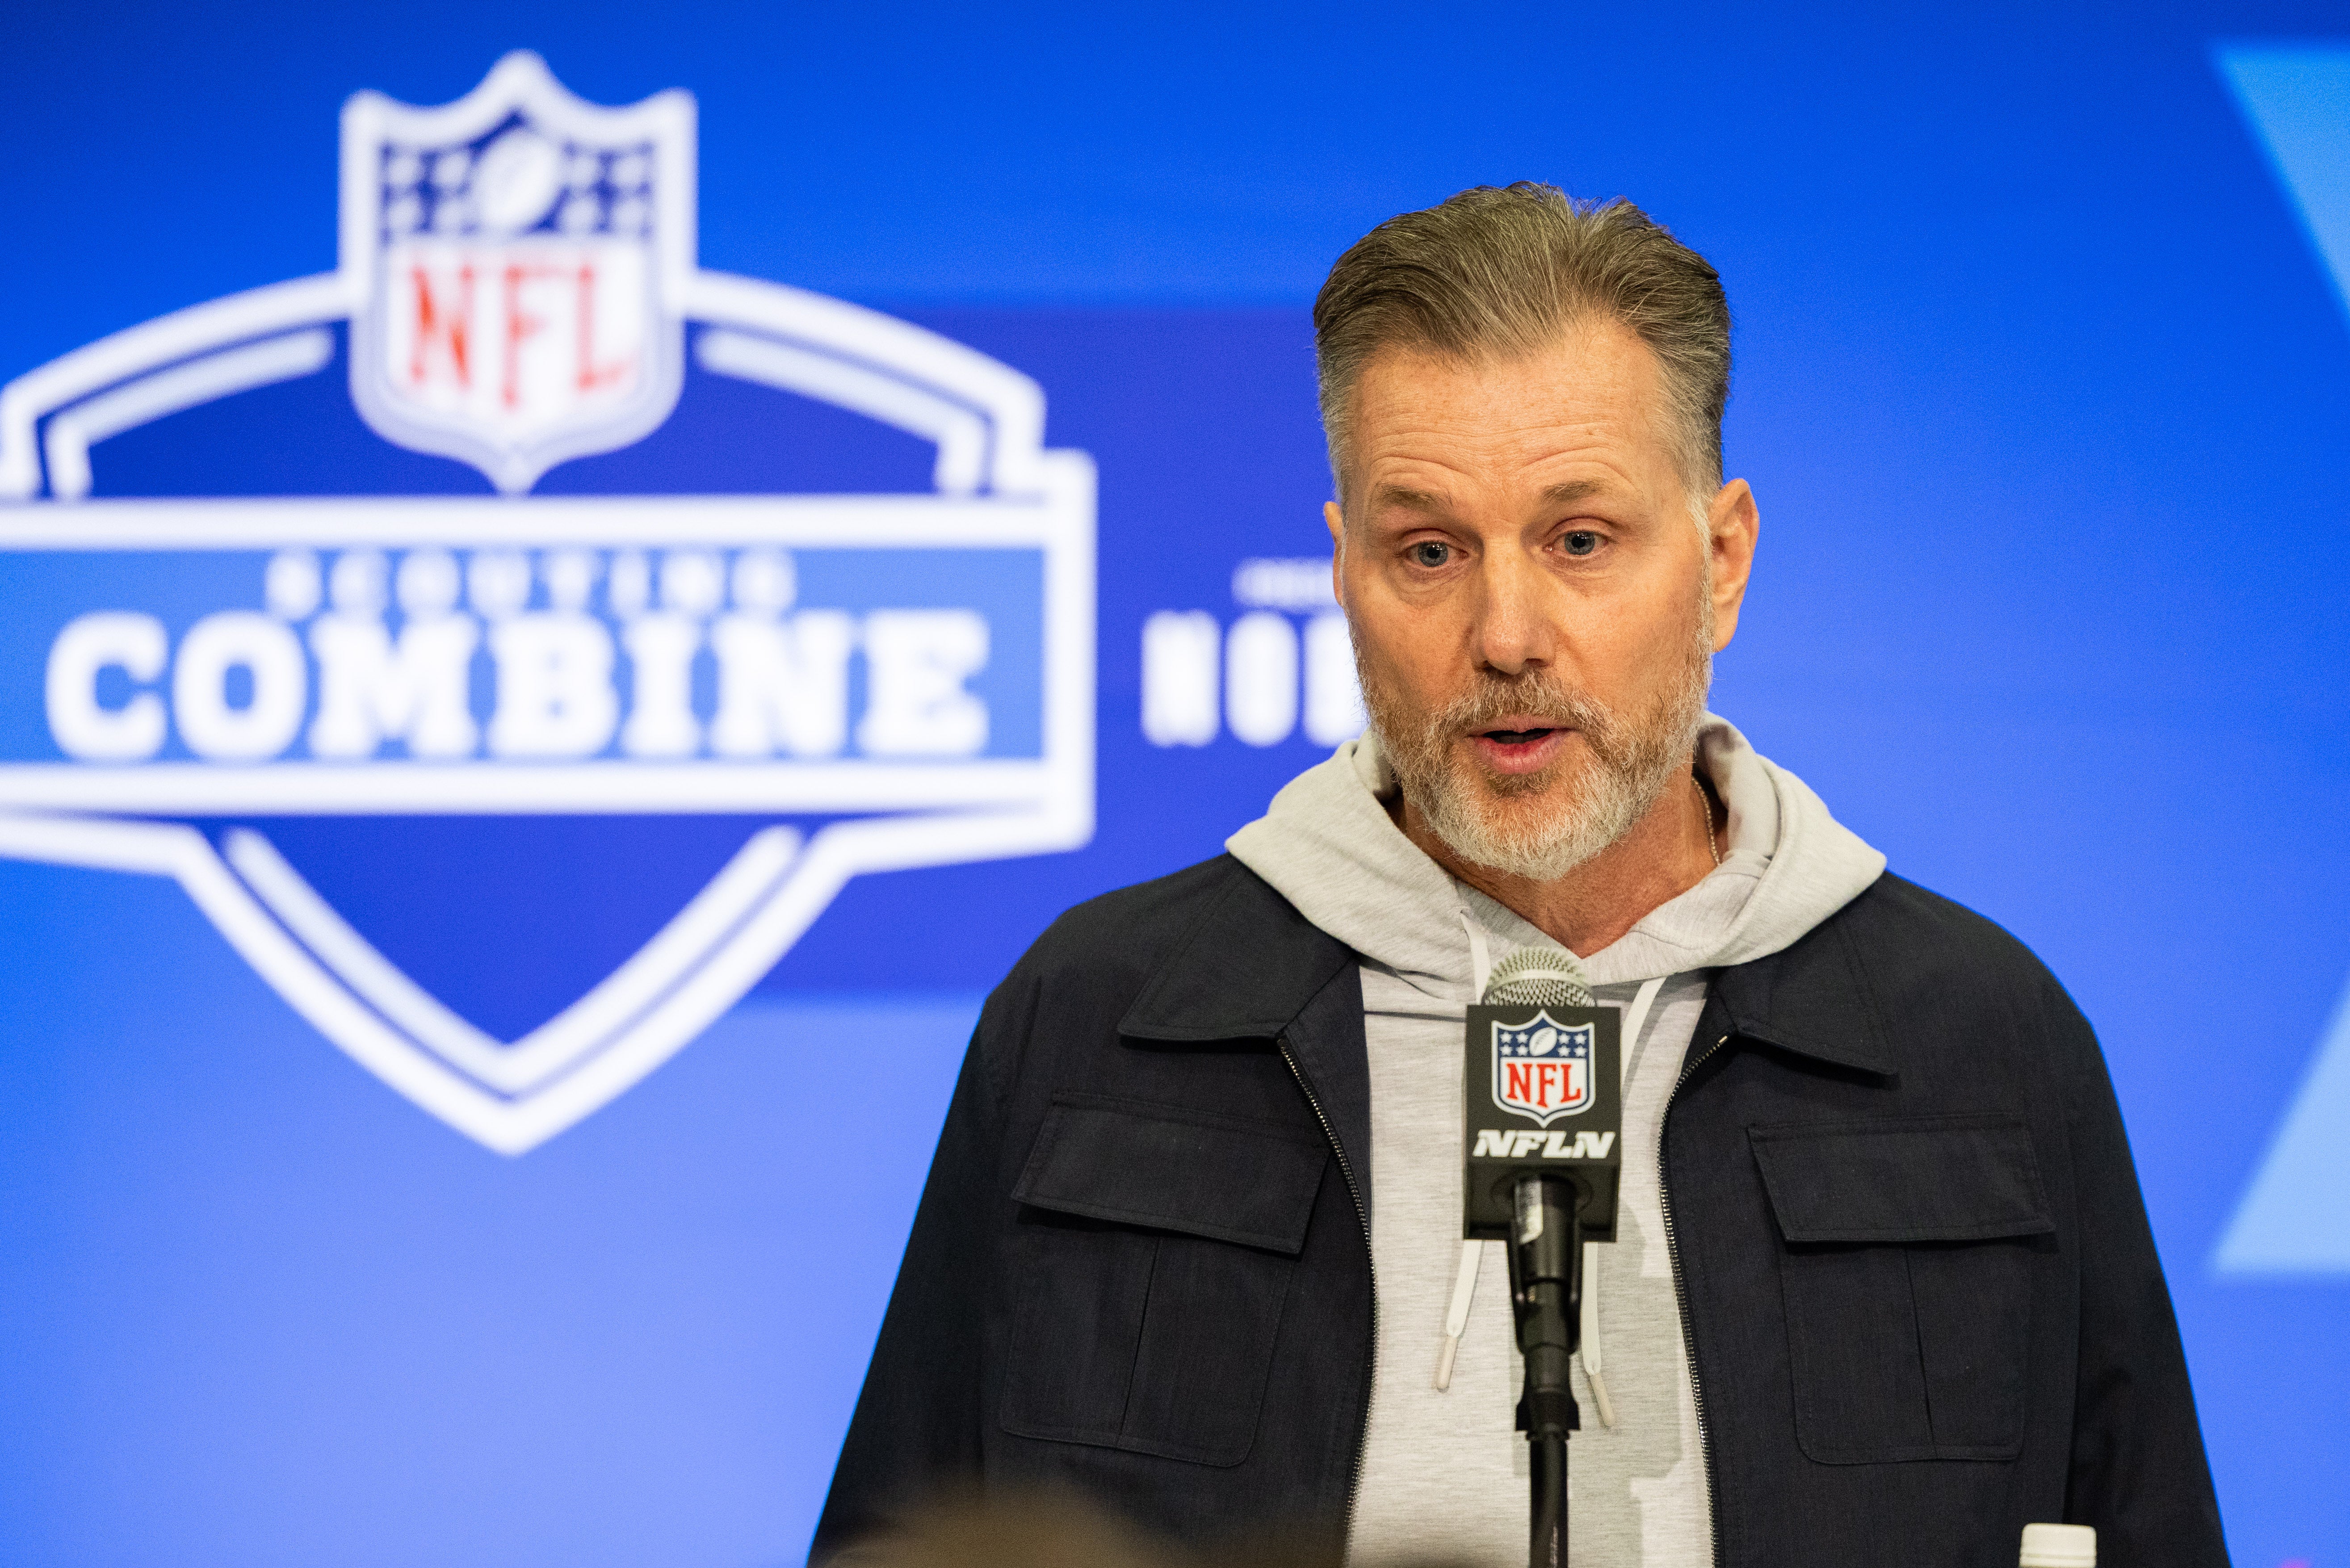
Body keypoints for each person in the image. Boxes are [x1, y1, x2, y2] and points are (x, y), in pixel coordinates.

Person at [813, 184, 2228, 1568]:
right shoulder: (1098, 1023)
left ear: (1722, 561)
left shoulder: (1975, 1042)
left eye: (1578, 541)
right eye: (1426, 550)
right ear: (1341, 570)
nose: (1504, 634)